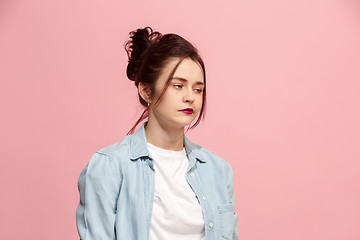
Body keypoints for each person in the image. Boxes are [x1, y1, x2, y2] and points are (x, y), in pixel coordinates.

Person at [76, 27, 239, 240]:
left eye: (198, 89)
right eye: (178, 86)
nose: (190, 97)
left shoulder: (218, 170)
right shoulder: (109, 167)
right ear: (145, 91)